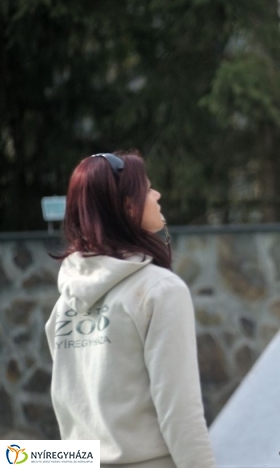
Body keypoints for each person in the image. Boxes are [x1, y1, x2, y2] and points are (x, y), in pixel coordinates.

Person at [45, 151, 217, 468]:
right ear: (128, 205)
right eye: (148, 189)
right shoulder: (161, 291)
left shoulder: (64, 303)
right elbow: (180, 410)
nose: (157, 195)